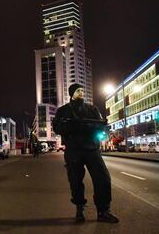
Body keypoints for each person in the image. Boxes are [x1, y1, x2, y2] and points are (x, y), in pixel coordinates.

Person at [53, 83, 119, 223]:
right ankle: (79, 208)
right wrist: (72, 126)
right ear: (72, 94)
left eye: (82, 90)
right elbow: (57, 128)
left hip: (92, 150)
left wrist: (89, 127)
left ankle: (103, 211)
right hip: (74, 151)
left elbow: (101, 127)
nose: (81, 92)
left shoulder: (92, 109)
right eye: (78, 90)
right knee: (75, 181)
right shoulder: (63, 111)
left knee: (103, 179)